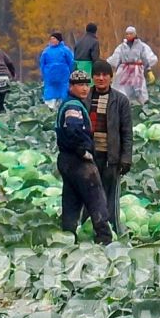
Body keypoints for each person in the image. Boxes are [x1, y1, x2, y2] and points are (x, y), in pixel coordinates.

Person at [55, 73, 114, 245]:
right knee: (96, 199)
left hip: (65, 159)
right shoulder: (74, 106)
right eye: (80, 85)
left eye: (86, 85)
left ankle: (69, 237)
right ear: (71, 86)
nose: (85, 88)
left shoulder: (68, 103)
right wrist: (83, 151)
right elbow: (73, 129)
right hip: (77, 161)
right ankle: (104, 238)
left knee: (71, 200)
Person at [87, 60, 133, 232]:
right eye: (97, 75)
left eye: (104, 75)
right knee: (89, 195)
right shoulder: (85, 98)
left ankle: (113, 230)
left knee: (111, 197)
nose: (100, 78)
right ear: (92, 77)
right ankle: (89, 228)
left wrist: (126, 157)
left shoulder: (120, 101)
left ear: (111, 78)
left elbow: (127, 132)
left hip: (110, 156)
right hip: (89, 156)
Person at [108, 26, 158, 106]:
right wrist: (115, 72)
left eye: (130, 34)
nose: (128, 36)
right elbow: (119, 60)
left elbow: (144, 58)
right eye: (127, 34)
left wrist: (149, 71)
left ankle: (143, 106)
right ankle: (124, 107)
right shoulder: (122, 46)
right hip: (125, 71)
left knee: (139, 90)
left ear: (135, 34)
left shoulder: (140, 46)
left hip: (136, 71)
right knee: (123, 90)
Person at [38, 31, 74, 105]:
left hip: (63, 78)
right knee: (50, 97)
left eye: (54, 39)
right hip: (50, 78)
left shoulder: (65, 50)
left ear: (59, 40)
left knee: (63, 96)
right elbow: (42, 63)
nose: (52, 40)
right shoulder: (46, 51)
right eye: (51, 39)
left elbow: (71, 62)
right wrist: (44, 74)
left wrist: (71, 73)